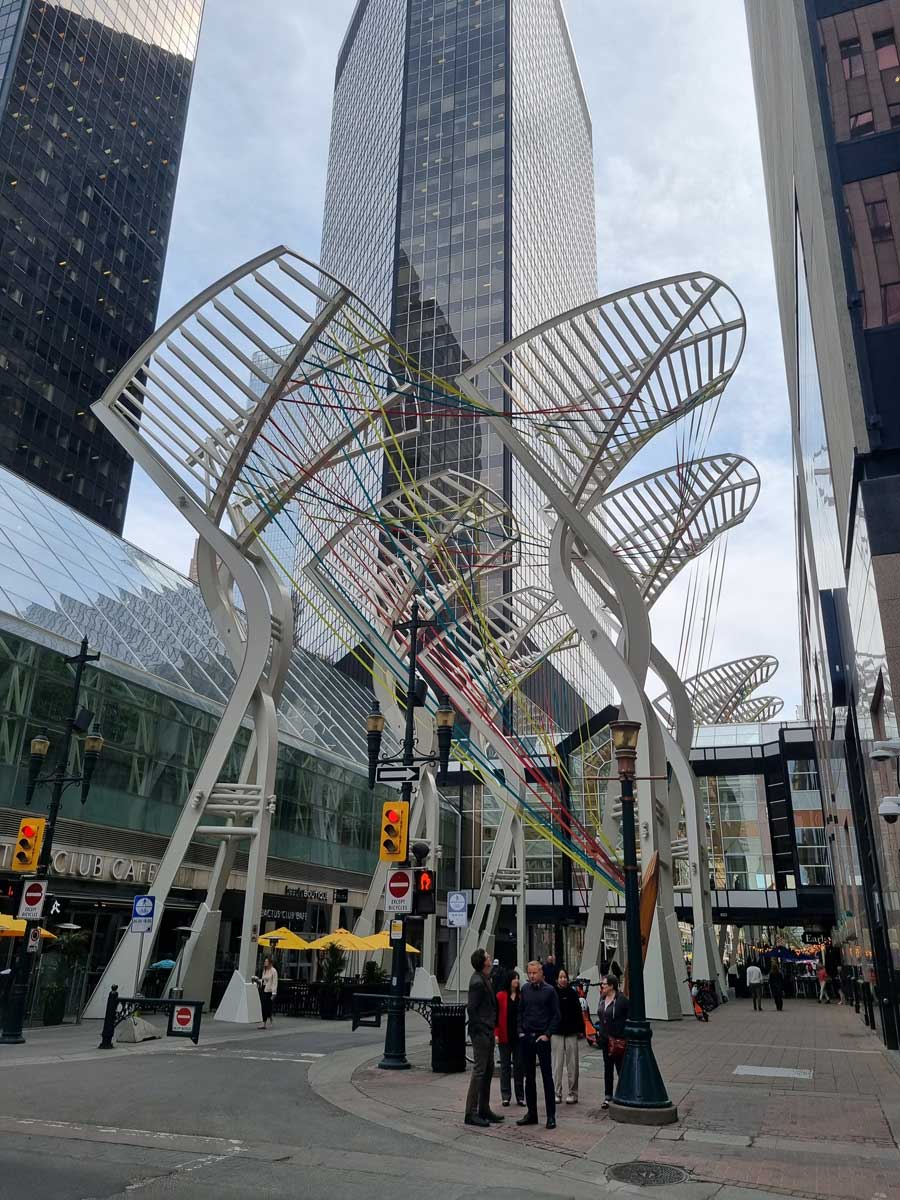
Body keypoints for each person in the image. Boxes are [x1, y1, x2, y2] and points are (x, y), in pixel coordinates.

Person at [516, 960, 560, 1131]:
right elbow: (520, 1011)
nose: (532, 976)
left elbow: (556, 1015)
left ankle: (551, 1116)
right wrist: (520, 1031)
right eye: (530, 973)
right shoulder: (525, 989)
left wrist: (547, 1035)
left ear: (541, 973)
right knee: (529, 1078)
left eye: (535, 973)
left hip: (542, 1038)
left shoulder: (550, 991)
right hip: (527, 1037)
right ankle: (531, 1113)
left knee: (547, 1077)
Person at [465, 947, 504, 1128]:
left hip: (486, 1030)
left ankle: (484, 1108)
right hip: (481, 1032)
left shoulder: (485, 978)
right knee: (480, 1071)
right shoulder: (477, 982)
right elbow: (472, 1008)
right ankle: (471, 1112)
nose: (490, 958)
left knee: (488, 1070)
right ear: (484, 962)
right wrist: (482, 1028)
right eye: (488, 957)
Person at [596, 973, 628, 1108]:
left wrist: (622, 1034)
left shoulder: (621, 1000)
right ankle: (608, 1096)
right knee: (607, 1068)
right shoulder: (602, 998)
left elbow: (628, 1017)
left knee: (620, 1067)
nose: (602, 986)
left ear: (611, 986)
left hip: (617, 1040)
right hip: (605, 1040)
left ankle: (624, 1093)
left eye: (604, 984)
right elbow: (601, 1015)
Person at [552, 968, 582, 1104]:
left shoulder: (573, 993)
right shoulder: (553, 993)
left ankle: (573, 1092)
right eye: (560, 977)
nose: (563, 979)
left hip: (571, 1032)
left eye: (565, 977)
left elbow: (578, 1012)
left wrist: (580, 1030)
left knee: (573, 1064)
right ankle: (556, 1092)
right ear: (556, 979)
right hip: (556, 1032)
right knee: (557, 1064)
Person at [495, 970, 525, 1107]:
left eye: (518, 978)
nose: (517, 981)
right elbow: (496, 1016)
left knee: (519, 1066)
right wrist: (496, 1033)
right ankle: (505, 1095)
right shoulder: (500, 996)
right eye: (514, 978)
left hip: (518, 1036)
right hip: (504, 1035)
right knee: (505, 1067)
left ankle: (520, 1096)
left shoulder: (521, 996)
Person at [252, 956, 278, 1029]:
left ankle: (268, 1019)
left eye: (266, 961)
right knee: (263, 1006)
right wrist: (257, 980)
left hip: (269, 990)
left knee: (267, 1006)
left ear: (270, 963)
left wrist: (274, 993)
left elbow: (275, 982)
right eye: (265, 961)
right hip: (263, 989)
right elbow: (263, 980)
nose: (265, 962)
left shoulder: (274, 971)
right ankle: (265, 1022)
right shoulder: (265, 970)